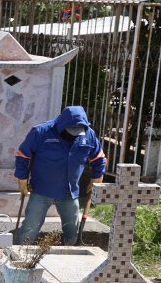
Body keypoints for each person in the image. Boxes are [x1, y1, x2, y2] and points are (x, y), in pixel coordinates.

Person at [14, 105, 106, 244]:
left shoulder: (88, 134)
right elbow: (23, 155)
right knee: (29, 228)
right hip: (41, 191)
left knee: (72, 231)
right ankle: (19, 252)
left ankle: (69, 251)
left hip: (69, 193)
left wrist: (97, 177)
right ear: (62, 125)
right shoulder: (41, 132)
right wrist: (22, 178)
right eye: (71, 130)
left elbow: (99, 157)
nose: (74, 134)